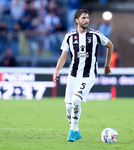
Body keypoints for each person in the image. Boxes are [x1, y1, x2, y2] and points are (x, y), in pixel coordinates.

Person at [53, 9, 113, 142]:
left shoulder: (95, 35)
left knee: (76, 100)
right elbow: (63, 56)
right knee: (68, 107)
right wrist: (57, 70)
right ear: (76, 20)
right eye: (84, 18)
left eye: (87, 18)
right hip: (73, 75)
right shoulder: (69, 36)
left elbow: (110, 46)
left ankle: (72, 131)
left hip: (88, 75)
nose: (86, 20)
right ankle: (76, 130)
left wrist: (107, 65)